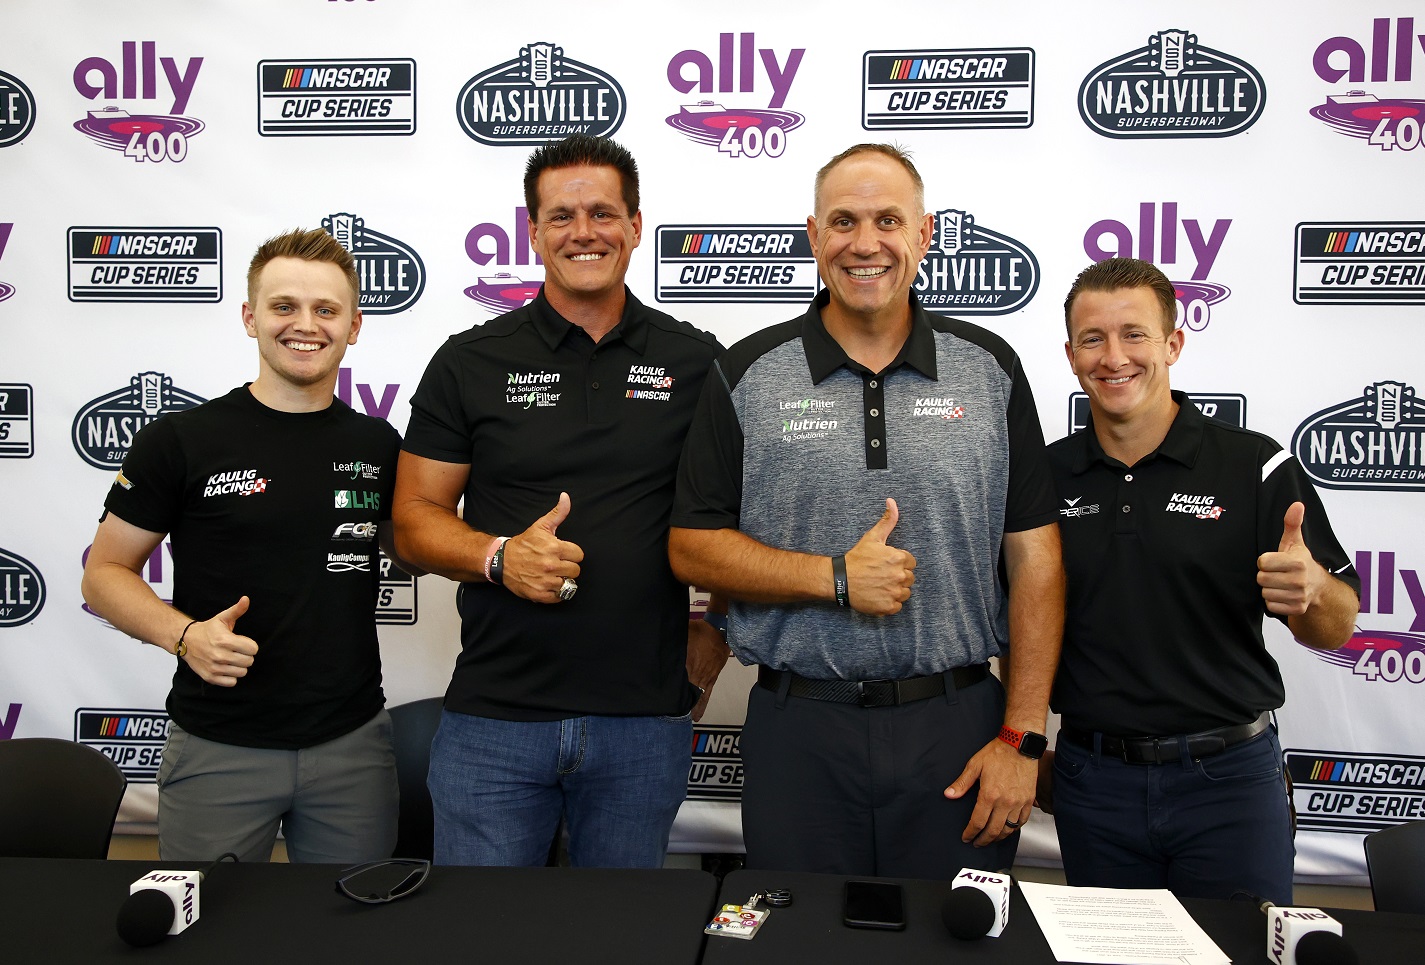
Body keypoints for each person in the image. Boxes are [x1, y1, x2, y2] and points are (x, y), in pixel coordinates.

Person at [668, 143, 1065, 879]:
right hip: (799, 728)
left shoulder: (989, 367)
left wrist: (1022, 736)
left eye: (888, 219)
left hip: (957, 724)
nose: (865, 242)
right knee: (804, 942)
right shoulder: (746, 372)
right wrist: (835, 576)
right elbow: (692, 548)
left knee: (952, 942)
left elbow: (1034, 558)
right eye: (843, 221)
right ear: (813, 236)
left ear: (925, 232)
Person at [392, 134, 724, 868]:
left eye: (603, 212)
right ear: (534, 231)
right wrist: (497, 555)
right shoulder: (469, 361)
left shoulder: (696, 361)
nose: (584, 231)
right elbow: (412, 522)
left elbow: (744, 521)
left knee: (619, 937)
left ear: (635, 226)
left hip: (642, 723)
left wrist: (717, 636)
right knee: (483, 930)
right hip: (495, 719)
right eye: (562, 215)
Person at [81, 228, 415, 863]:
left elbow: (419, 546)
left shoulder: (379, 445)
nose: (304, 326)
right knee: (205, 937)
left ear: (354, 326)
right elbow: (103, 574)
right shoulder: (182, 440)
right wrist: (185, 637)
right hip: (219, 746)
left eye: (326, 310)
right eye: (284, 306)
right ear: (249, 316)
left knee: (350, 937)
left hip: (352, 750)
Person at [1044, 257, 1360, 904]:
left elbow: (1336, 624)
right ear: (1070, 354)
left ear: (1172, 343)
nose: (1113, 357)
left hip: (1229, 784)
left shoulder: (1252, 464)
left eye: (1133, 333)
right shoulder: (1042, 477)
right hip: (1092, 783)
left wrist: (1312, 592)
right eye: (1092, 338)